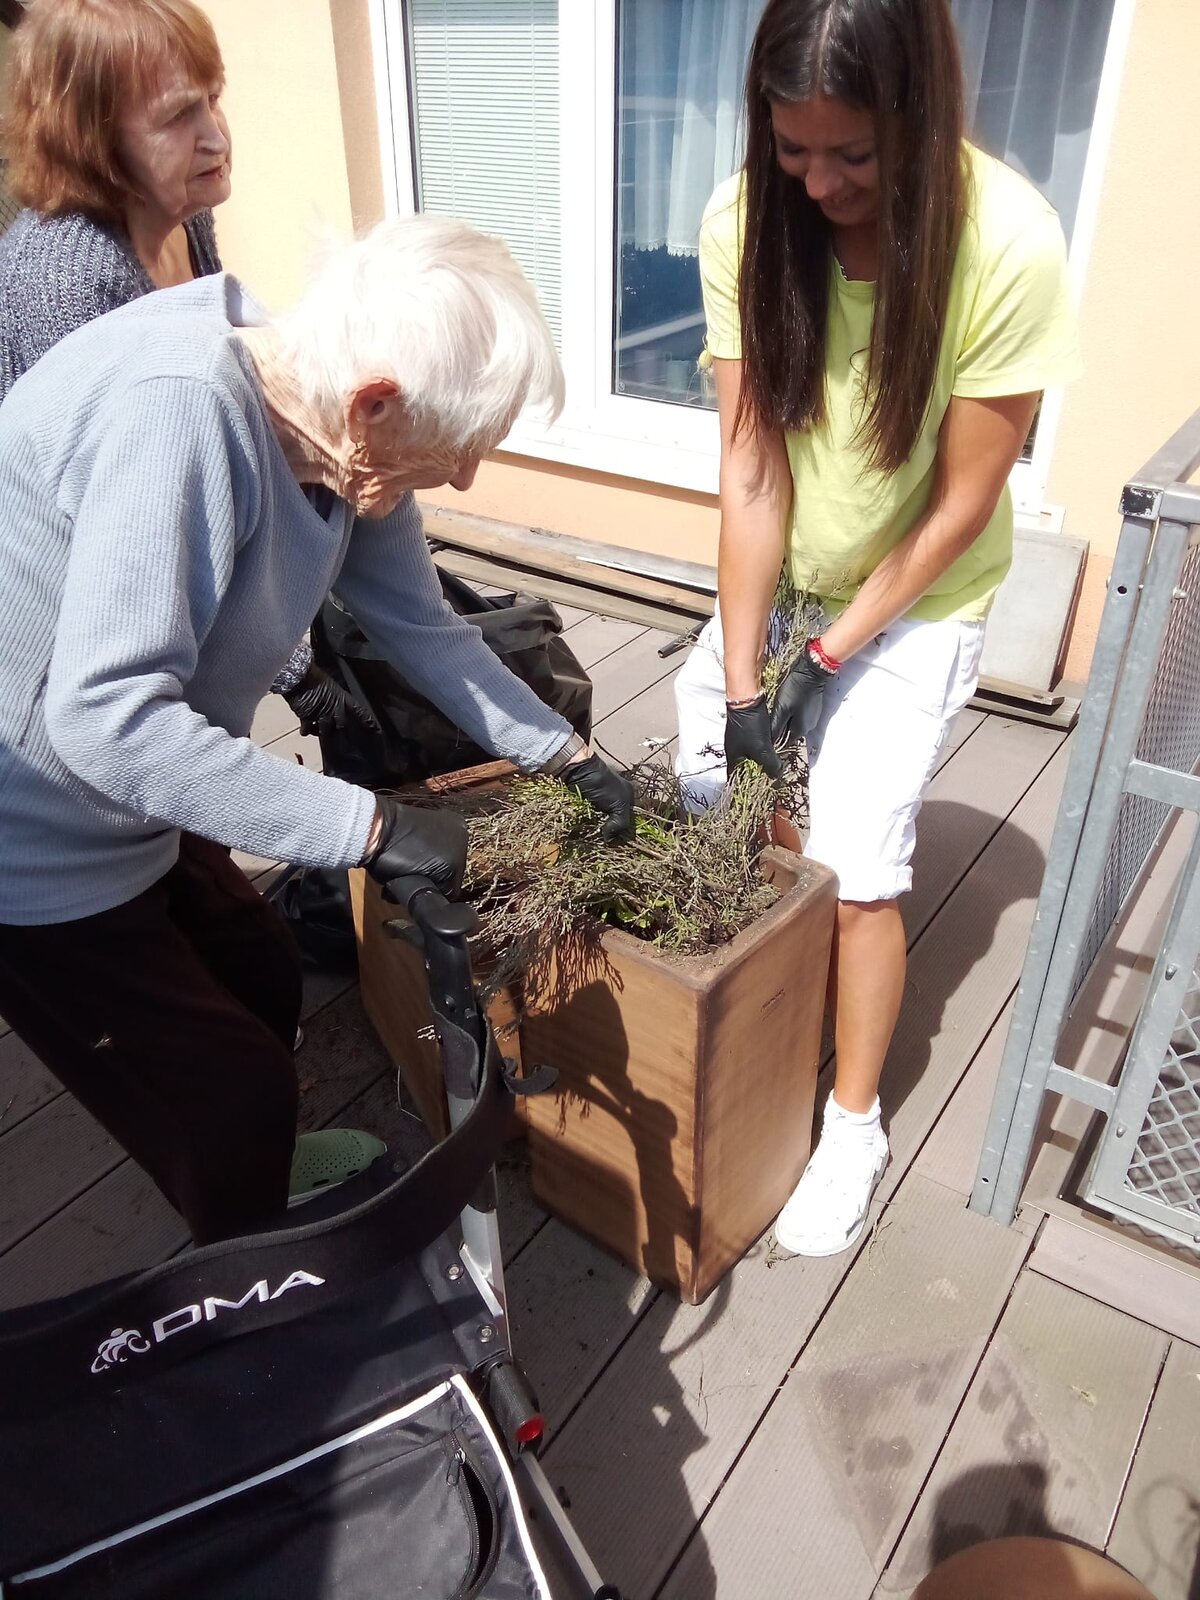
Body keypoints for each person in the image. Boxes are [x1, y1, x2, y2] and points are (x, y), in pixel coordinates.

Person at [0, 212, 633, 1246]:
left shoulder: (341, 435)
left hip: (141, 792)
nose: (462, 480)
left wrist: (566, 755)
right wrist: (374, 828)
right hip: (32, 830)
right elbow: (105, 720)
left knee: (261, 971)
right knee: (228, 1097)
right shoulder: (183, 412)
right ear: (375, 403)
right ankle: (255, 1280)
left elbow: (426, 630)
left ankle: (260, 1180)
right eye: (458, 450)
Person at [675, 0, 1080, 1257]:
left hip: (919, 595)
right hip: (791, 571)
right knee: (731, 799)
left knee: (854, 862)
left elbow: (961, 506)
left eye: (852, 152)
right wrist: (747, 685)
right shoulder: (746, 219)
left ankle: (852, 1123)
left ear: (918, 111)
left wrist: (830, 655)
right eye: (793, 148)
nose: (819, 183)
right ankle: (776, 1022)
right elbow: (753, 470)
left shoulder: (1007, 244)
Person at [0, 0, 361, 735]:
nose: (216, 136)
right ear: (92, 141)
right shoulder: (69, 277)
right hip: (61, 654)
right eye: (176, 117)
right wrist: (294, 670)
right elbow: (137, 531)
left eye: (213, 99)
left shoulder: (185, 215)